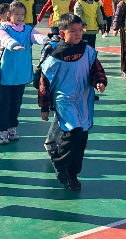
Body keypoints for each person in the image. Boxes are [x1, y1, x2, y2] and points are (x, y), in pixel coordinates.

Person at [38, 13, 107, 191]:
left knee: (82, 137)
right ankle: (60, 162)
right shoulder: (56, 55)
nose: (78, 34)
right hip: (64, 99)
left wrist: (99, 82)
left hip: (84, 99)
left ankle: (73, 174)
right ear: (62, 34)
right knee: (74, 131)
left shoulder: (88, 51)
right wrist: (44, 106)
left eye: (80, 30)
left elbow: (96, 70)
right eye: (73, 31)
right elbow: (44, 81)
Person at [0, 0, 49, 144]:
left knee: (16, 103)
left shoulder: (27, 29)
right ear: (9, 15)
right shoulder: (3, 28)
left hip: (21, 73)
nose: (20, 17)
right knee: (4, 103)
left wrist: (46, 40)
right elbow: (5, 39)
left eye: (22, 14)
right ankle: (3, 131)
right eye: (17, 14)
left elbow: (37, 36)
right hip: (6, 73)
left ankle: (12, 128)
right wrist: (13, 45)